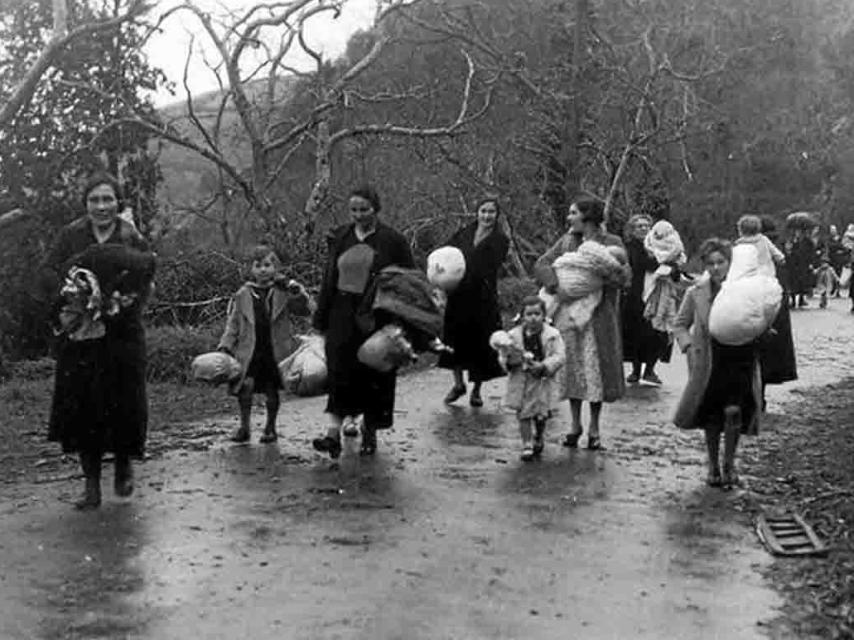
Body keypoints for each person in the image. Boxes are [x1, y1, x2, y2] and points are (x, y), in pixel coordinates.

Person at [40, 173, 155, 510]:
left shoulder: (129, 234)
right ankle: (91, 484)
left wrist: (121, 294)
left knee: (124, 402)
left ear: (118, 202)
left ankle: (123, 464)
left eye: (108, 199)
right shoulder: (71, 235)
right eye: (95, 200)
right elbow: (47, 271)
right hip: (81, 336)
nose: (102, 206)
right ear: (85, 204)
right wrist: (69, 292)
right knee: (83, 407)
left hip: (123, 333)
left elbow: (148, 268)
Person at [311, 186, 415, 458]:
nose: (358, 215)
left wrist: (403, 321)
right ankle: (332, 435)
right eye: (354, 210)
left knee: (374, 374)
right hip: (341, 312)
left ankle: (370, 430)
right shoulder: (340, 236)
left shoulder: (393, 241)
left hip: (377, 313)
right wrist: (321, 317)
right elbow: (329, 277)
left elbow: (408, 280)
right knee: (339, 371)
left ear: (376, 209)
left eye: (364, 210)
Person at [534, 197, 630, 450]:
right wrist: (555, 285)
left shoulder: (612, 242)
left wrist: (599, 277)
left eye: (573, 213)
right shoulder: (567, 241)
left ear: (587, 217)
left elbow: (624, 277)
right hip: (568, 316)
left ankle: (594, 427)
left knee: (595, 370)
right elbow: (542, 263)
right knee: (573, 369)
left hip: (598, 316)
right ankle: (575, 425)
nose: (569, 217)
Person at [672, 238, 762, 490]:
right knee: (711, 415)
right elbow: (680, 324)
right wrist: (688, 346)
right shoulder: (696, 292)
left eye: (721, 262)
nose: (715, 268)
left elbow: (761, 316)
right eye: (710, 263)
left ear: (730, 263)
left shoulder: (744, 290)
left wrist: (762, 330)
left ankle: (729, 464)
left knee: (734, 411)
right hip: (708, 361)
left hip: (739, 358)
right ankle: (712, 464)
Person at [217, 245, 313, 444]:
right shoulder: (243, 294)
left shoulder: (282, 292)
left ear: (275, 268)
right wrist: (225, 346)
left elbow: (303, 310)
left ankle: (270, 427)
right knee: (245, 388)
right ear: (251, 269)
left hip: (274, 349)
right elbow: (233, 324)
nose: (263, 270)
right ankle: (244, 427)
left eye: (267, 265)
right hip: (249, 350)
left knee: (271, 389)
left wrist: (298, 293)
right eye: (258, 265)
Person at [438, 197, 509, 407]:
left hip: (483, 297)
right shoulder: (464, 233)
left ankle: (476, 390)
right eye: (483, 211)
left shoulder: (500, 239)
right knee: (454, 340)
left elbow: (490, 265)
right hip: (458, 294)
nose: (486, 216)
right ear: (477, 212)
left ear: (497, 215)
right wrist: (442, 274)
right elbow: (446, 253)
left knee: (481, 344)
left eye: (491, 212)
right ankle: (458, 384)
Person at [501, 296, 566, 461]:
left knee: (541, 414)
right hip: (522, 381)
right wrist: (510, 361)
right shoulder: (513, 336)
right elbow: (504, 356)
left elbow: (560, 356)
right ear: (522, 316)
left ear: (544, 315)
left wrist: (545, 366)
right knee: (523, 413)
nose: (533, 318)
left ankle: (539, 435)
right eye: (529, 314)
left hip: (542, 381)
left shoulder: (553, 335)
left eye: (537, 313)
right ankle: (527, 444)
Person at [622, 214, 673, 385]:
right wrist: (661, 264)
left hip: (658, 294)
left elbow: (672, 263)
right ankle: (636, 370)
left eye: (646, 226)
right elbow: (641, 263)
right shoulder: (630, 247)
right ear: (632, 230)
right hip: (635, 296)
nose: (644, 229)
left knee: (657, 333)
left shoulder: (662, 244)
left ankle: (650, 369)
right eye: (639, 226)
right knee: (636, 334)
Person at [753, 217, 797, 408]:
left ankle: (755, 396)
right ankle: (761, 395)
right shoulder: (778, 250)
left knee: (754, 354)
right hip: (776, 309)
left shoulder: (755, 250)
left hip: (756, 306)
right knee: (769, 355)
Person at [784, 227, 816, 308]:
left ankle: (801, 299)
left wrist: (811, 263)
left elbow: (812, 252)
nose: (798, 233)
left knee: (802, 282)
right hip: (793, 264)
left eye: (799, 231)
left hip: (803, 264)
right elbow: (787, 250)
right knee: (793, 282)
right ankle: (793, 300)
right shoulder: (791, 240)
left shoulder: (807, 241)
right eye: (796, 231)